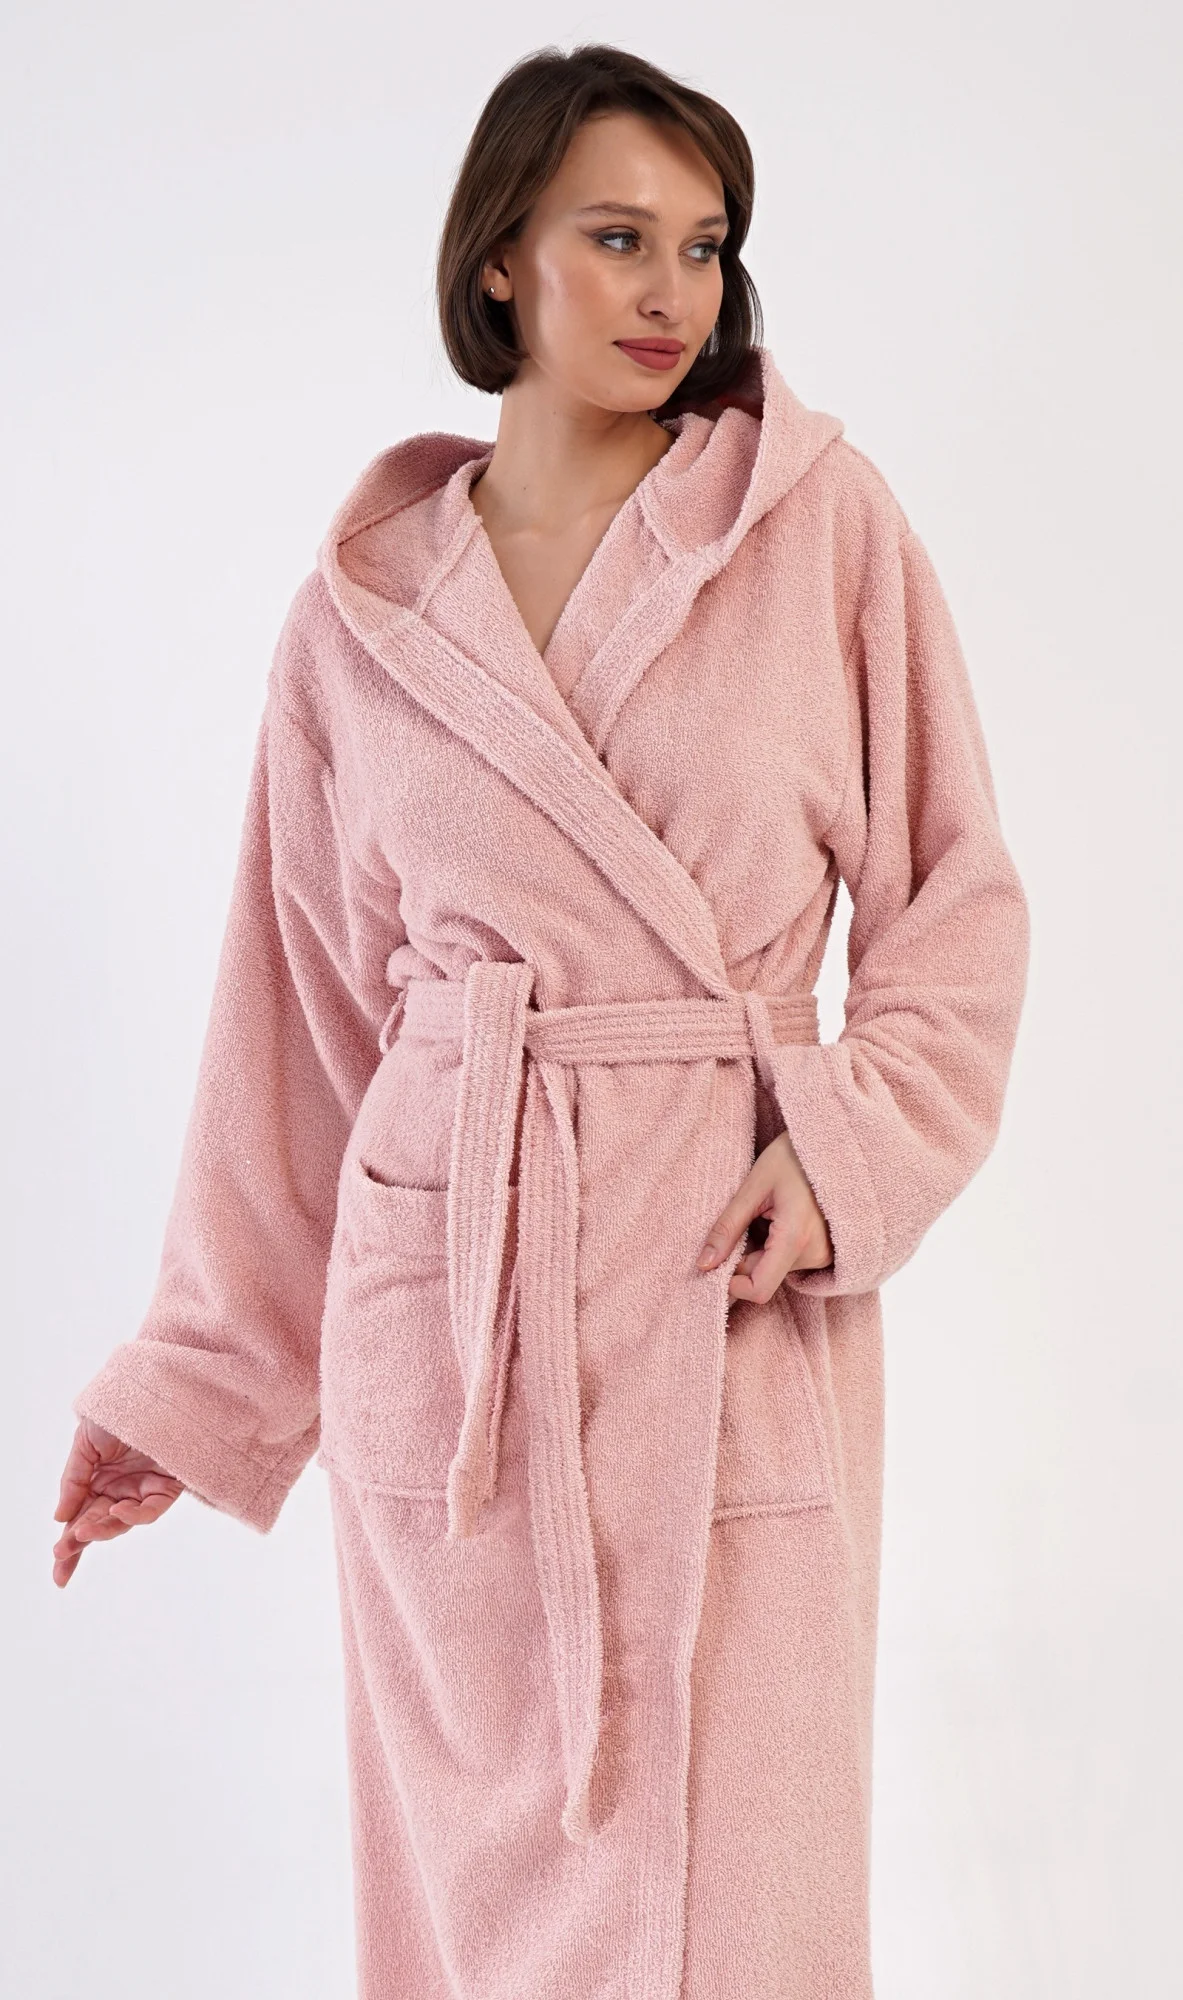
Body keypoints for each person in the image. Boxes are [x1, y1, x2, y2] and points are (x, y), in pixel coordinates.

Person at [52, 42, 1029, 2000]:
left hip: (726, 1276)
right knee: (477, 1918)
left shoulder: (817, 530)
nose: (672, 289)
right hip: (451, 1340)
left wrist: (841, 1152)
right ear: (502, 255)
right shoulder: (365, 618)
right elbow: (299, 1035)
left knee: (741, 1899)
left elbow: (957, 903)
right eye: (617, 237)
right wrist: (199, 1383)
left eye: (704, 245)